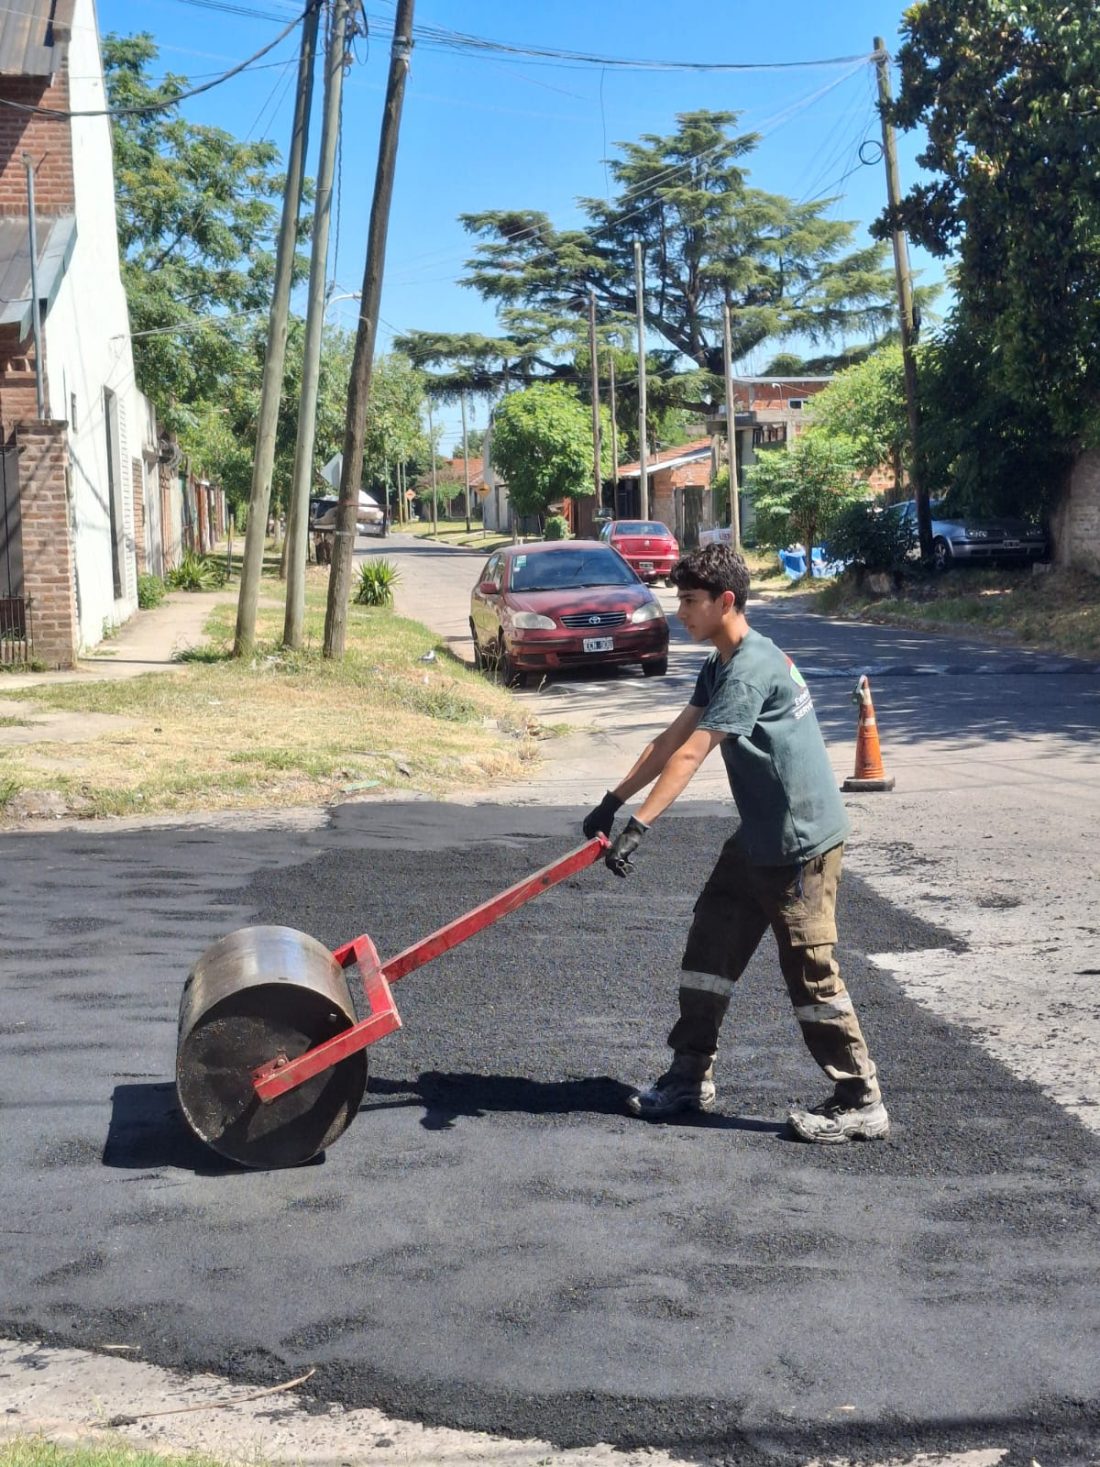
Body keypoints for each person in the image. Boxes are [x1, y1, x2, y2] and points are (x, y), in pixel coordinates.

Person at [582, 543, 888, 1144]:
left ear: (726, 601)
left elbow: (696, 752)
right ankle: (689, 1075)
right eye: (678, 599)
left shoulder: (751, 667)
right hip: (756, 838)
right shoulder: (722, 662)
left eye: (690, 602)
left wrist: (641, 826)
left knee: (810, 971)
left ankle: (860, 1098)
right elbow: (674, 736)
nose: (680, 613)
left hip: (800, 843)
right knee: (709, 949)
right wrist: (612, 800)